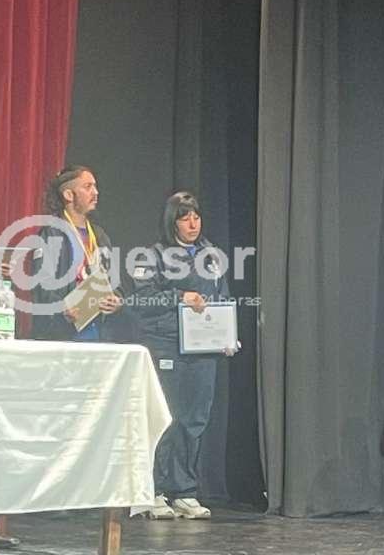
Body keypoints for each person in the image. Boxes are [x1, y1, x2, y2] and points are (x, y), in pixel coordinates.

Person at [132, 192, 235, 520]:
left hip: (203, 350)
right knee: (167, 418)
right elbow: (143, 299)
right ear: (172, 221)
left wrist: (227, 335)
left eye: (196, 217)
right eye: (185, 218)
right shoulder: (152, 255)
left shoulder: (211, 255)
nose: (193, 224)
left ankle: (184, 491)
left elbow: (222, 297)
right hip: (167, 346)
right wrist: (180, 296)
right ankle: (154, 491)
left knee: (194, 421)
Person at [29, 165, 128, 342]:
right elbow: (41, 285)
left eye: (95, 186)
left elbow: (114, 282)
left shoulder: (99, 235)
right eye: (88, 187)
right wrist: (61, 309)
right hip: (62, 334)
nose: (95, 192)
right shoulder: (52, 233)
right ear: (68, 195)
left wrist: (116, 299)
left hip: (98, 331)